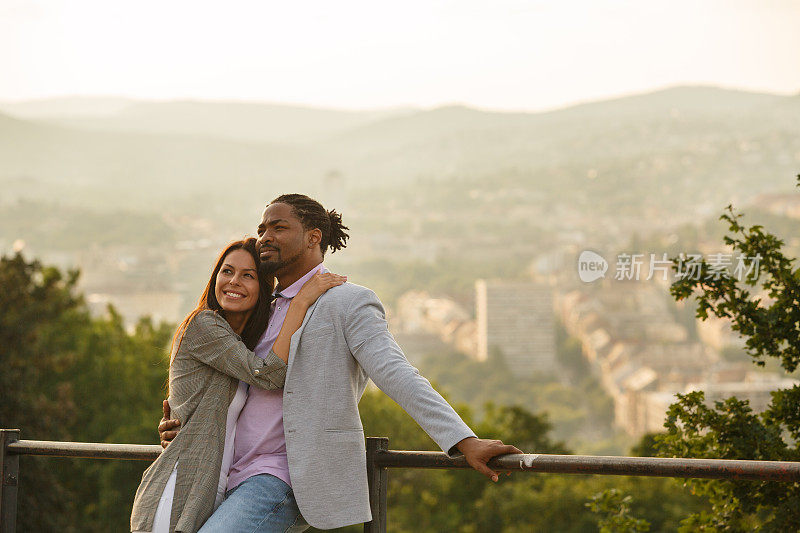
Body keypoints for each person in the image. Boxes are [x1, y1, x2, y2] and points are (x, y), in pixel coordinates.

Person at [160, 194, 523, 532]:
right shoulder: (259, 309)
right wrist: (185, 428)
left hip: (284, 475)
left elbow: (396, 372)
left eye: (278, 227)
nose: (264, 237)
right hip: (223, 474)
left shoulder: (347, 302)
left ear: (313, 237)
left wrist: (462, 439)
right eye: (262, 229)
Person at [131, 238, 345, 533]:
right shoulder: (205, 325)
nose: (234, 281)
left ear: (262, 287)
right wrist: (300, 301)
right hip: (182, 486)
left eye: (248, 275)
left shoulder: (243, 344)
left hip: (217, 489)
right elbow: (268, 375)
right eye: (227, 271)